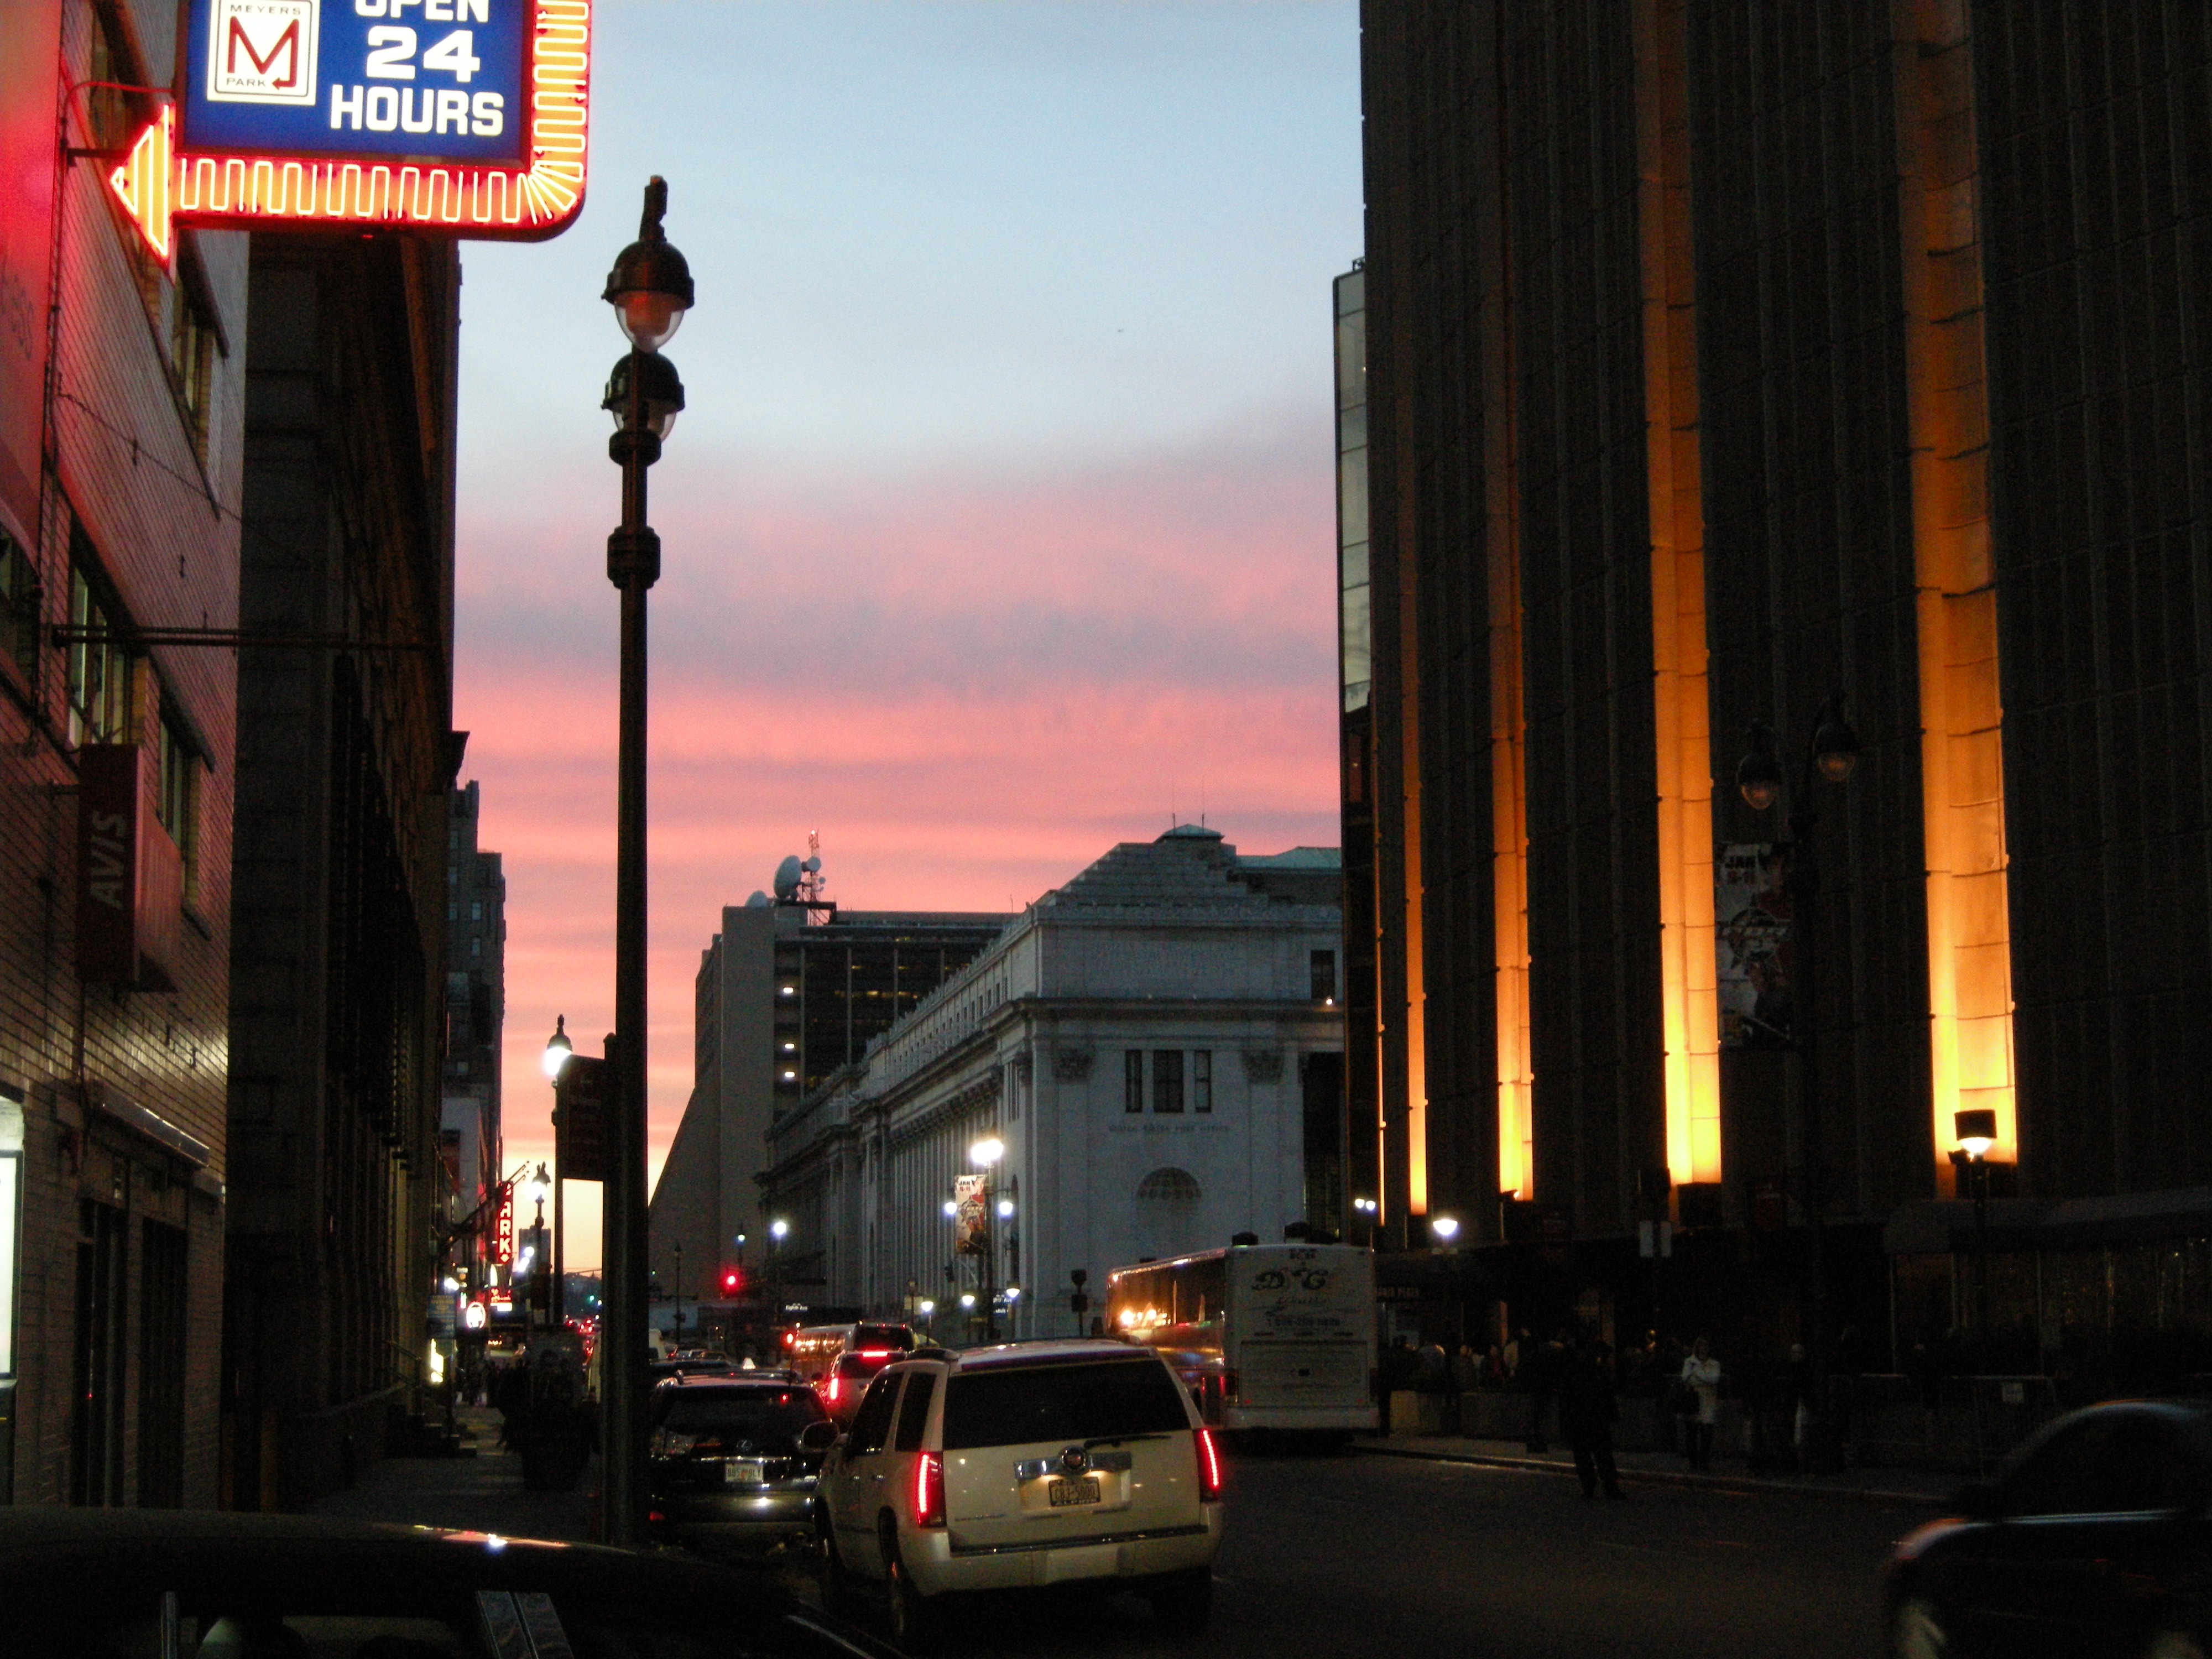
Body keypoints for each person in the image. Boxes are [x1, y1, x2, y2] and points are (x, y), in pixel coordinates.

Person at [1559, 1335, 1625, 1499]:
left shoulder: (1573, 1371)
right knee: (1601, 1454)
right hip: (1593, 1418)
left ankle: (1593, 1487)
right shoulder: (1594, 1370)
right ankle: (1607, 1486)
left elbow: (1566, 1399)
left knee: (1587, 1456)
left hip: (1583, 1418)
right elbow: (1606, 1393)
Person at [1679, 1336, 1722, 1470]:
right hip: (1693, 1401)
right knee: (1692, 1433)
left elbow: (1714, 1379)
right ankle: (1693, 1462)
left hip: (1708, 1401)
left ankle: (1704, 1461)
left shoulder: (1714, 1364)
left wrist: (1697, 1373)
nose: (1703, 1349)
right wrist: (1704, 1377)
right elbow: (1686, 1378)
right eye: (1700, 1346)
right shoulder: (1690, 1362)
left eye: (1705, 1347)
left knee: (1706, 1434)